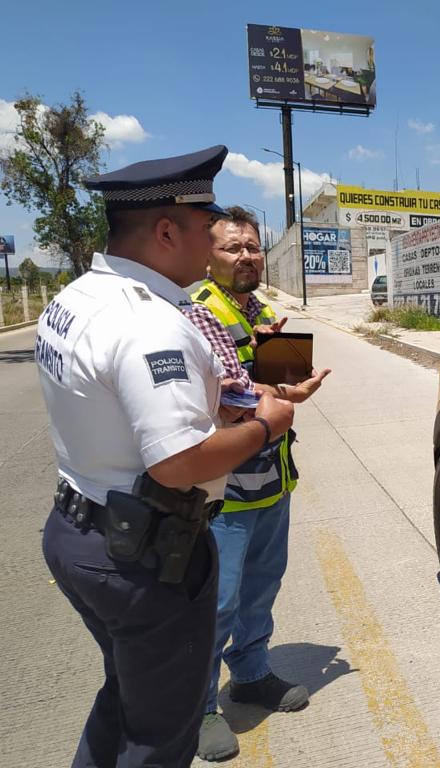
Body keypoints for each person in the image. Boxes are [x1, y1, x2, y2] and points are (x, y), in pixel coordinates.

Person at [37, 146, 295, 767]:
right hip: (143, 556)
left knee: (127, 700)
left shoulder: (79, 297)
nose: (213, 248)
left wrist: (233, 401)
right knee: (159, 738)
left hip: (84, 525)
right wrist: (267, 422)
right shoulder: (149, 322)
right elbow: (178, 464)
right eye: (208, 231)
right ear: (165, 230)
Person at [184, 206, 331, 761]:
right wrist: (283, 393)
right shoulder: (201, 312)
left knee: (261, 588)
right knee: (215, 602)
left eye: (252, 246)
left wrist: (287, 380)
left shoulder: (260, 309)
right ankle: (197, 709)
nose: (246, 256)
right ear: (207, 255)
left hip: (271, 478)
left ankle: (250, 673)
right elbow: (231, 395)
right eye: (232, 247)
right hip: (225, 491)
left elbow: (269, 383)